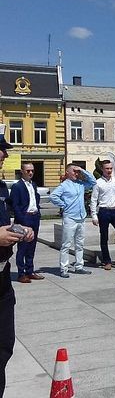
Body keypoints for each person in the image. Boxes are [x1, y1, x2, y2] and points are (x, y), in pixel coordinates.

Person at [0, 125, 34, 397]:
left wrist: (16, 230)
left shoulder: (0, 186)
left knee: (3, 348)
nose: (3, 154)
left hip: (1, 278)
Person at [50, 164, 96, 278]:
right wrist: (63, 205)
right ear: (67, 172)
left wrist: (82, 171)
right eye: (74, 171)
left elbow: (93, 182)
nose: (76, 173)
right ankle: (64, 268)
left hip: (81, 217)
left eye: (77, 171)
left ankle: (79, 266)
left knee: (80, 244)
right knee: (66, 244)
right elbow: (53, 196)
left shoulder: (80, 184)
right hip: (70, 217)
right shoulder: (64, 185)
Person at [9, 163, 44, 283]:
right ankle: (21, 273)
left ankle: (30, 271)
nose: (30, 173)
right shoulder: (17, 186)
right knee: (23, 247)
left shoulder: (33, 185)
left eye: (32, 171)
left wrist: (38, 213)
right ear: (22, 172)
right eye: (28, 171)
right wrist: (22, 220)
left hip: (34, 218)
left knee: (32, 246)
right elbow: (15, 205)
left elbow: (35, 200)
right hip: (24, 219)